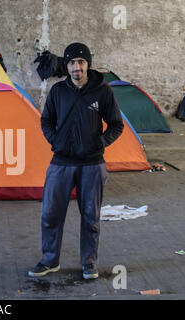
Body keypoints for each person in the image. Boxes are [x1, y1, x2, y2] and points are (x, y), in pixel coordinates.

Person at [28, 42, 124, 280]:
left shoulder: (103, 92)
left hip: (92, 164)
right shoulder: (58, 91)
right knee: (50, 213)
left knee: (91, 216)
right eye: (72, 62)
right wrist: (55, 141)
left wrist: (100, 142)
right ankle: (50, 261)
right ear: (67, 66)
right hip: (61, 162)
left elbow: (117, 124)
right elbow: (46, 120)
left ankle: (89, 263)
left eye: (81, 62)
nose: (76, 67)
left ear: (88, 64)